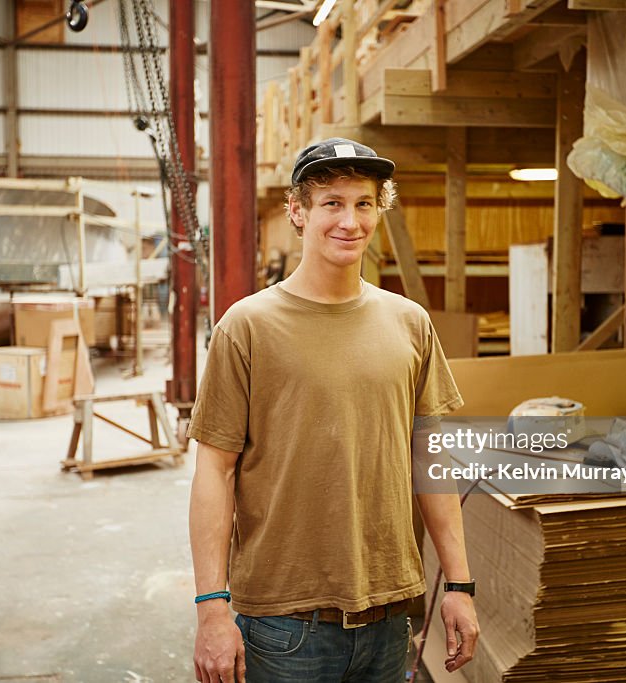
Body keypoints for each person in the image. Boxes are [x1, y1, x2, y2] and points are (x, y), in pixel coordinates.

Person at [188, 138, 479, 683]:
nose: (350, 220)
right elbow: (214, 470)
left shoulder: (410, 322)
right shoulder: (247, 327)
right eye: (332, 203)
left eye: (364, 203)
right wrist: (211, 607)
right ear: (297, 211)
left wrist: (459, 586)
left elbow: (429, 461)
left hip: (390, 615)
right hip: (283, 623)